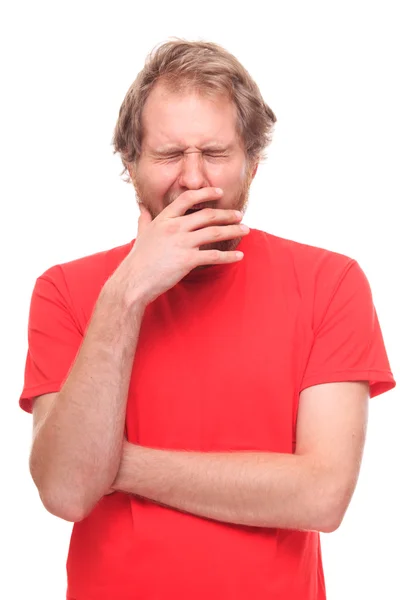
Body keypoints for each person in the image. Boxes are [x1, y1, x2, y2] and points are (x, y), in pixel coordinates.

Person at [19, 39, 396, 600]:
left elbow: (321, 496)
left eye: (215, 153)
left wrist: (112, 465)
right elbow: (67, 492)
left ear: (253, 161)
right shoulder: (67, 292)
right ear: (131, 163)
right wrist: (126, 293)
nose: (194, 180)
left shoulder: (330, 283)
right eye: (170, 155)